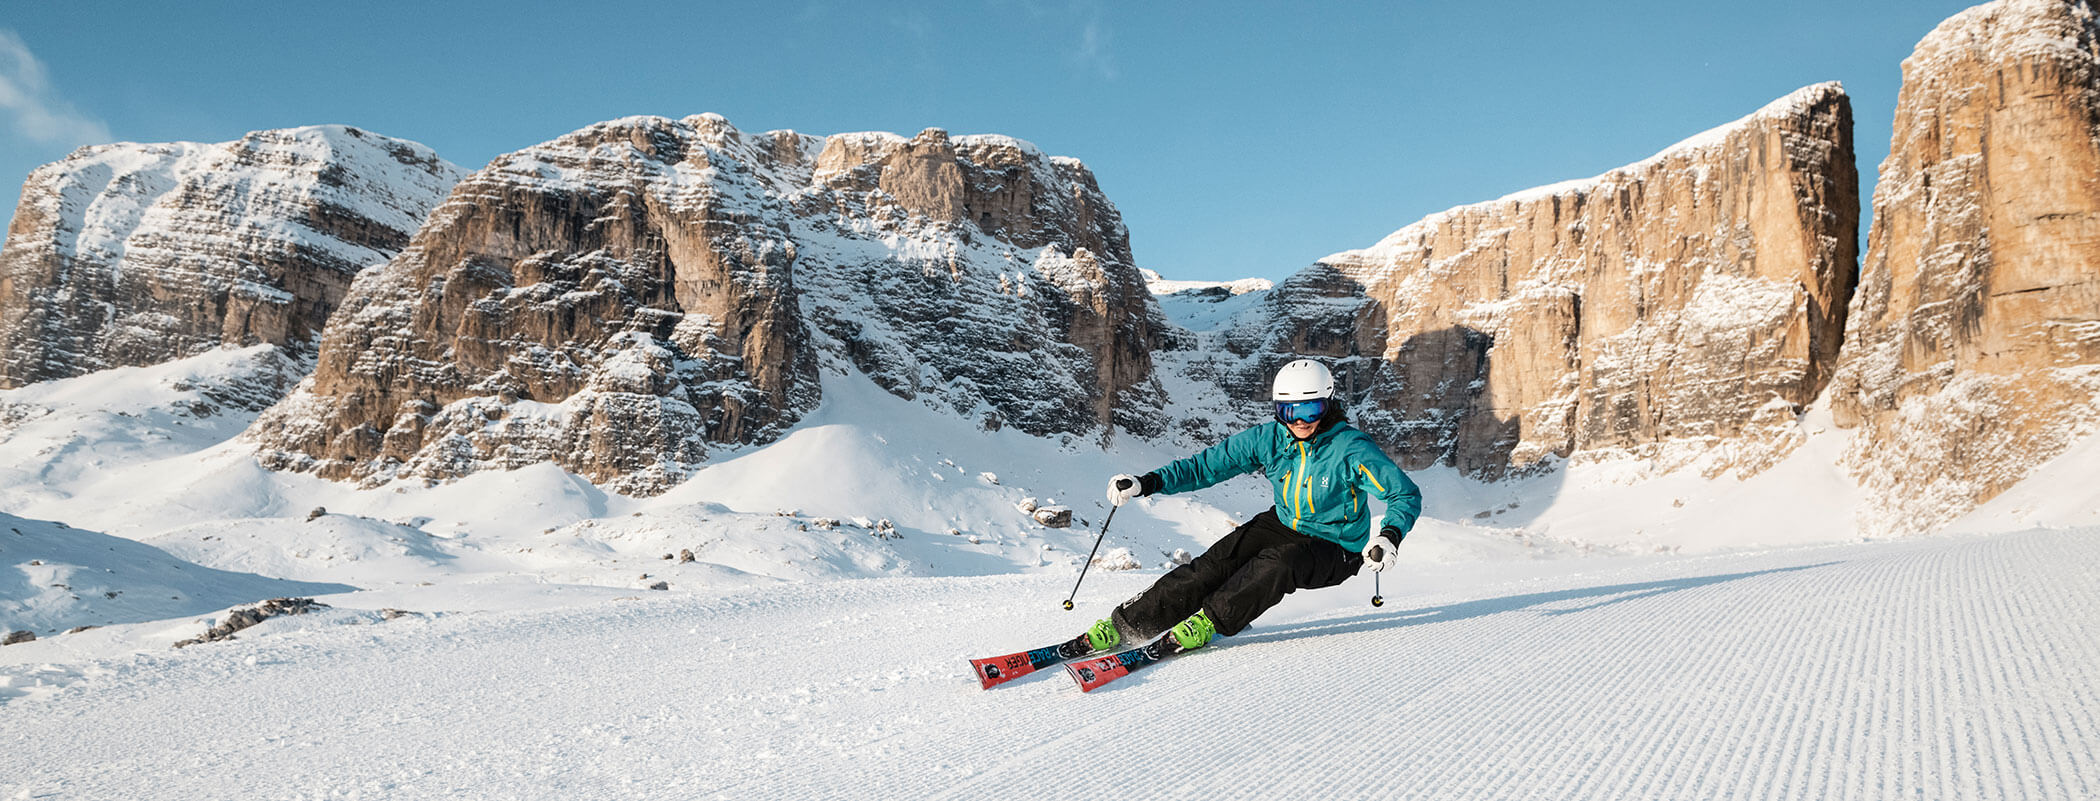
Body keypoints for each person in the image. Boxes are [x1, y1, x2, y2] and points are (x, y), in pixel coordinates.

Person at [1093, 358, 1421, 653]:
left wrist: (1388, 536)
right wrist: (1146, 483)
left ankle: (1210, 622)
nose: (1300, 422)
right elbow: (1206, 467)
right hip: (1284, 523)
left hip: (1337, 545)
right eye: (1289, 412)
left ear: (1328, 405)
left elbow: (1403, 494)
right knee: (1214, 564)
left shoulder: (1350, 448)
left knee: (1280, 562)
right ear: (1279, 410)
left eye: (1312, 411)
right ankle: (1129, 625)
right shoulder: (1270, 439)